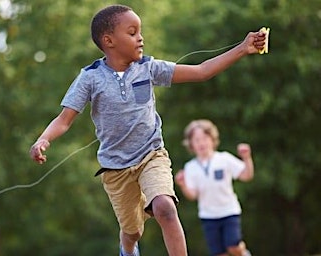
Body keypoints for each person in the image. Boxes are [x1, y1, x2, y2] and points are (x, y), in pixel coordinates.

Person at [29, 4, 265, 256]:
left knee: (165, 208)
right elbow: (64, 119)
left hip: (151, 155)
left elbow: (201, 71)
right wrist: (43, 139)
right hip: (116, 168)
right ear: (109, 41)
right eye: (132, 32)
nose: (140, 37)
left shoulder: (148, 67)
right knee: (133, 230)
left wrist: (243, 48)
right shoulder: (90, 77)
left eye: (140, 31)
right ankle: (128, 248)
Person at [174, 119, 254, 256]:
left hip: (229, 212)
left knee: (233, 246)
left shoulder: (224, 159)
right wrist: (183, 185)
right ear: (191, 144)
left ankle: (244, 253)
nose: (201, 143)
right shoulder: (190, 167)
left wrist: (247, 158)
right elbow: (192, 195)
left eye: (205, 138)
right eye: (196, 140)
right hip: (208, 216)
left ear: (212, 140)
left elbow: (246, 175)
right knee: (219, 253)